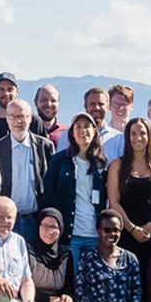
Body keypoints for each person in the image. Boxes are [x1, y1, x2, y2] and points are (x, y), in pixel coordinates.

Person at [108, 117, 151, 284]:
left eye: (142, 133)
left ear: (149, 135)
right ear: (127, 137)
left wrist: (150, 226)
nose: (138, 137)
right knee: (126, 282)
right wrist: (131, 228)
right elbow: (114, 202)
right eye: (133, 133)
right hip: (125, 233)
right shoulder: (117, 165)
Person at [42, 112, 109, 265]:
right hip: (69, 234)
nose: (82, 130)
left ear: (94, 131)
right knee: (71, 282)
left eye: (87, 126)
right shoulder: (59, 160)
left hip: (94, 234)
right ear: (72, 132)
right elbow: (49, 196)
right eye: (77, 127)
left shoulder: (102, 164)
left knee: (91, 282)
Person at [0, 99, 55, 243]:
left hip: (36, 220)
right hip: (7, 222)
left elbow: (51, 184)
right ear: (7, 119)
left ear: (30, 118)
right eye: (13, 116)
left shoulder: (45, 147)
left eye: (22, 116)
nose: (18, 121)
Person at [27, 208, 80, 302]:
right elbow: (23, 283)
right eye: (45, 226)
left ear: (61, 229)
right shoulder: (28, 249)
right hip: (34, 300)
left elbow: (69, 285)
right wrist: (47, 299)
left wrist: (67, 296)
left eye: (54, 227)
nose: (49, 231)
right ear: (38, 227)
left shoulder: (65, 254)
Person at [57, 87, 125, 163]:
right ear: (85, 107)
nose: (97, 107)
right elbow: (59, 164)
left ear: (108, 107)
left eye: (101, 104)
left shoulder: (119, 139)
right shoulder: (66, 136)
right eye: (92, 104)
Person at [0, 72, 45, 143]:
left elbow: (43, 149)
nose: (6, 93)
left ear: (17, 91)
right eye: (1, 89)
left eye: (10, 89)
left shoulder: (33, 122)